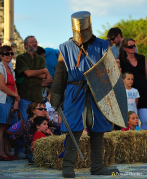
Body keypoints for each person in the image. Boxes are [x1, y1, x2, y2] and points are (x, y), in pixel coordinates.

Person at [51, 11, 119, 177]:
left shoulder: (103, 45)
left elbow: (111, 73)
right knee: (73, 129)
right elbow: (60, 75)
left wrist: (112, 98)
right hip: (76, 92)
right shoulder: (65, 48)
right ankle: (68, 166)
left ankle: (97, 166)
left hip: (97, 92)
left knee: (97, 130)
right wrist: (56, 97)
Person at [0, 45, 20, 161]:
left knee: (9, 128)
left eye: (11, 53)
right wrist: (16, 96)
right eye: (7, 54)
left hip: (10, 99)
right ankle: (1, 153)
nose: (10, 56)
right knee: (2, 127)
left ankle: (7, 151)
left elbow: (14, 85)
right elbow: (2, 87)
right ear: (1, 56)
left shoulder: (10, 68)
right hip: (2, 100)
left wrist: (16, 99)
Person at [119, 38, 147, 130]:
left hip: (143, 93)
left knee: (146, 120)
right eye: (130, 46)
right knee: (131, 121)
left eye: (134, 45)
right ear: (124, 49)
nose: (133, 48)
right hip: (129, 95)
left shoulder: (142, 58)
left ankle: (143, 141)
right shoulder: (121, 61)